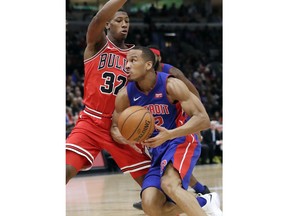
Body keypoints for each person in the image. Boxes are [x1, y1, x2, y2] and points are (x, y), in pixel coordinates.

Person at [111, 46, 223, 216]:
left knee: (169, 185)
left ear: (148, 65)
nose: (127, 65)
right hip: (157, 151)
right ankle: (204, 201)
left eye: (133, 60)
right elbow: (115, 127)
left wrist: (170, 134)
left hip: (180, 141)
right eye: (126, 61)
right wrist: (129, 139)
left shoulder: (171, 84)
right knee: (150, 204)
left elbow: (203, 119)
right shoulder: (125, 94)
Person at [66, 0, 151, 186]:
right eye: (119, 20)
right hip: (91, 121)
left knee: (154, 192)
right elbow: (98, 18)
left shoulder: (135, 55)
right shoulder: (97, 45)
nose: (124, 24)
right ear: (107, 24)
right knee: (65, 170)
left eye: (127, 21)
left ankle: (199, 202)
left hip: (122, 124)